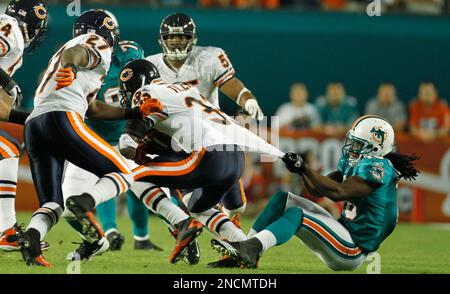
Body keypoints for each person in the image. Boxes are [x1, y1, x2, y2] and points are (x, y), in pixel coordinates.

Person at [1, 9, 161, 267]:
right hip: (63, 118)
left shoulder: (64, 50)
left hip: (35, 125)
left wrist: (134, 112)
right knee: (124, 173)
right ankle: (84, 201)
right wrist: (69, 66)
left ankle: (32, 237)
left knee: (52, 205)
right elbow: (76, 54)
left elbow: (94, 108)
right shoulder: (94, 43)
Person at [211, 115, 420, 270]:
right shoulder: (356, 163)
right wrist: (299, 170)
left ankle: (251, 248)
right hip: (343, 233)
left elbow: (338, 192)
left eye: (359, 144)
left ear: (376, 146)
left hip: (352, 249)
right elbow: (316, 188)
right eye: (353, 141)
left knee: (297, 215)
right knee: (282, 199)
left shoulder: (379, 168)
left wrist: (304, 168)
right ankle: (247, 250)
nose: (352, 148)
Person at [145, 12, 264, 265]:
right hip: (177, 143)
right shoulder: (150, 65)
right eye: (172, 37)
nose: (176, 42)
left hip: (215, 138)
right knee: (193, 202)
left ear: (193, 38)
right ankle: (203, 233)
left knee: (235, 206)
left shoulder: (208, 58)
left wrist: (247, 98)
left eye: (182, 36)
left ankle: (223, 232)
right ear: (162, 39)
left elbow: (230, 82)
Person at [61, 36, 163, 254]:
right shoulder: (85, 66)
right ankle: (110, 232)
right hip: (97, 136)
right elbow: (92, 108)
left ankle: (142, 235)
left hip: (124, 133)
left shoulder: (125, 56)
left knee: (139, 186)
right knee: (121, 184)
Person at [0, 0, 48, 252]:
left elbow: (2, 111)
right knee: (6, 149)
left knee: (6, 148)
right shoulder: (11, 30)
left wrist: (34, 119)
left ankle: (6, 231)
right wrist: (7, 81)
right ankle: (6, 230)